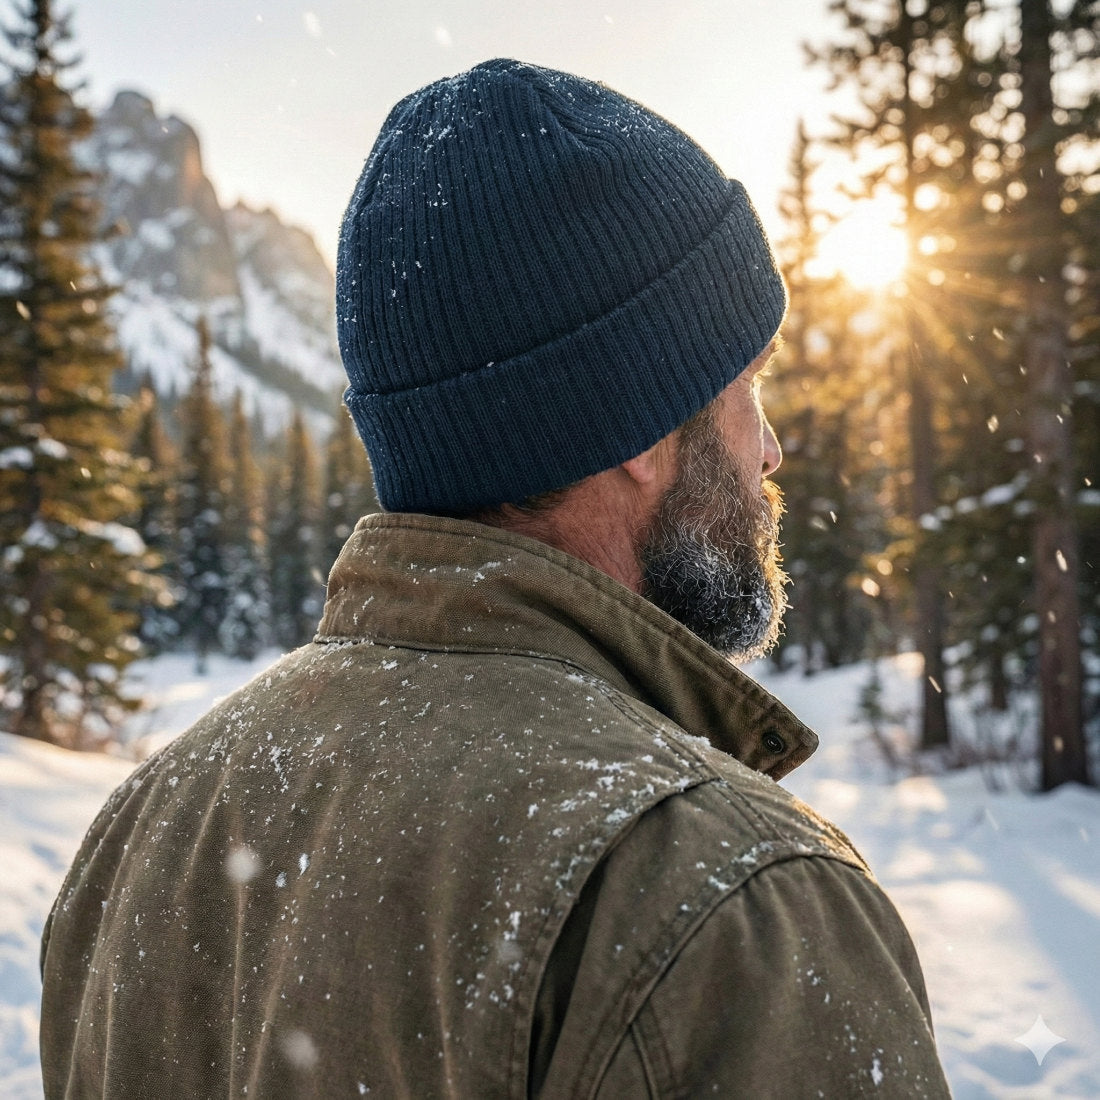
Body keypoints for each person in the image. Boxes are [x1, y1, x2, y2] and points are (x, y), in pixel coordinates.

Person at [40, 59, 950, 1097]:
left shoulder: (148, 832)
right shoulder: (723, 899)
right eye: (746, 388)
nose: (771, 448)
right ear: (643, 427)